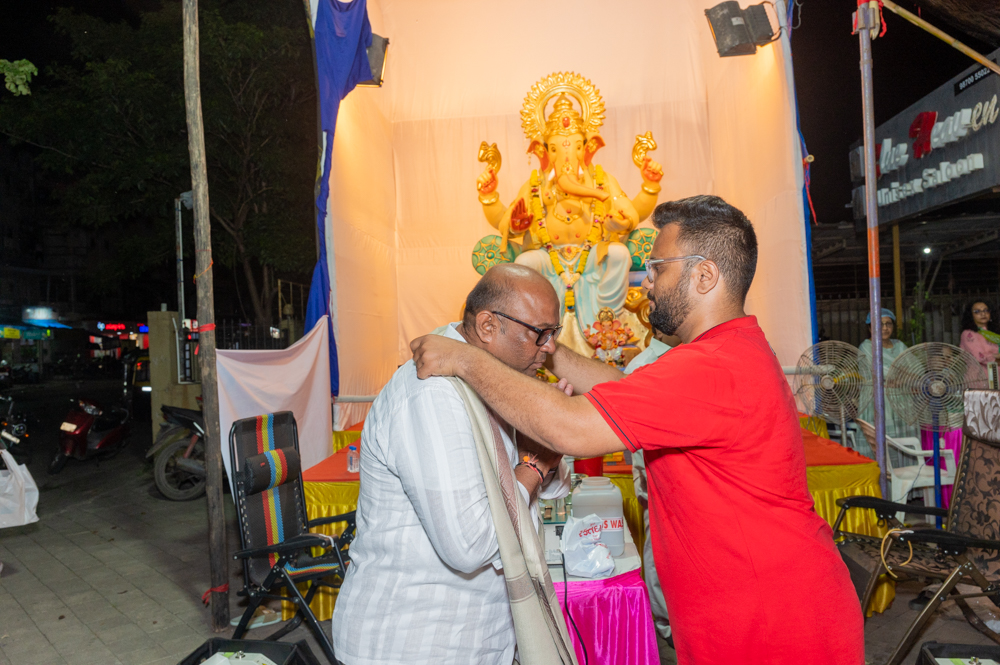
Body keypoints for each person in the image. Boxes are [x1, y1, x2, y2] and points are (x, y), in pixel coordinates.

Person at [411, 195, 865, 665]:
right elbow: (628, 388)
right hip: (751, 610)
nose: (646, 283)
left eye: (658, 268)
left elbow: (569, 428)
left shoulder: (713, 368)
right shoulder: (726, 352)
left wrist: (465, 357)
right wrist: (548, 348)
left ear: (704, 276)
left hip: (772, 623)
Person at [331, 264, 574, 665]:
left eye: (554, 334)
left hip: (476, 635)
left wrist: (547, 433)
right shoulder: (432, 394)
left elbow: (554, 487)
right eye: (540, 333)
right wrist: (534, 463)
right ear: (488, 326)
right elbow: (468, 544)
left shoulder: (496, 381)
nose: (549, 348)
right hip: (416, 640)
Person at [624, 330, 678, 648]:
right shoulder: (643, 367)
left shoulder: (697, 360)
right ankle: (666, 628)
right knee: (660, 557)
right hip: (658, 488)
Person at [857, 307, 916, 441]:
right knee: (882, 442)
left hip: (902, 402)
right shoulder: (866, 347)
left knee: (904, 442)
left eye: (888, 324)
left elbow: (915, 369)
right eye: (880, 324)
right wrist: (900, 376)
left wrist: (899, 379)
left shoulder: (900, 345)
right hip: (877, 402)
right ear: (870, 328)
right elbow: (880, 373)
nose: (885, 328)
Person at [959, 299, 1000, 370]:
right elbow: (980, 357)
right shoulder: (968, 334)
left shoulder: (994, 332)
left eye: (986, 310)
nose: (983, 314)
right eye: (977, 311)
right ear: (971, 315)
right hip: (980, 376)